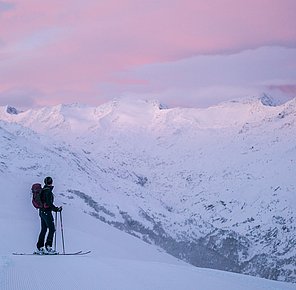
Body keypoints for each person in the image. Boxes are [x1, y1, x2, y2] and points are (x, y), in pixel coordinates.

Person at [36, 176, 62, 254]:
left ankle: (40, 247)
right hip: (46, 212)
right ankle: (48, 247)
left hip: (41, 212)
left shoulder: (43, 190)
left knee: (43, 229)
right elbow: (49, 203)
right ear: (51, 182)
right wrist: (56, 209)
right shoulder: (48, 191)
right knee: (52, 229)